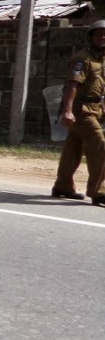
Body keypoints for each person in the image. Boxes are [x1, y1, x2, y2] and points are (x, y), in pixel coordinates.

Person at [52, 19, 105, 206]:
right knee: (100, 144)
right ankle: (99, 192)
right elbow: (72, 85)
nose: (102, 37)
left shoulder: (102, 59)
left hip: (96, 108)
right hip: (81, 111)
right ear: (90, 37)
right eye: (98, 34)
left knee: (73, 148)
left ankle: (63, 186)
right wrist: (67, 111)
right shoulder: (82, 59)